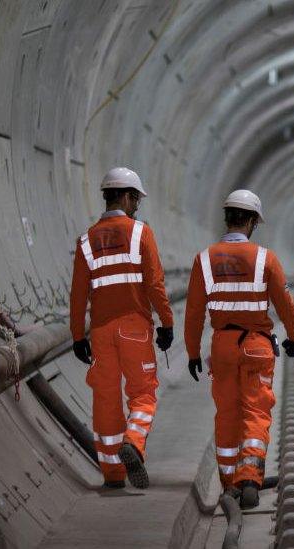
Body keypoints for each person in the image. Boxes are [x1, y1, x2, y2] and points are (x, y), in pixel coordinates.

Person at [184, 189, 294, 509]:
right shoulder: (266, 258)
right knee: (255, 410)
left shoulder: (204, 259)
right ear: (251, 221)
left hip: (222, 345)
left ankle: (229, 483)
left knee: (227, 413)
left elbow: (194, 312)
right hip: (256, 345)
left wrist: (193, 352)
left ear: (227, 219)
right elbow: (285, 306)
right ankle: (250, 475)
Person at [69, 167, 174, 489]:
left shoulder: (87, 240)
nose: (137, 206)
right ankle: (133, 442)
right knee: (143, 394)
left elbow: (78, 293)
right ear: (127, 196)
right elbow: (154, 284)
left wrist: (77, 336)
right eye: (136, 200)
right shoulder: (141, 233)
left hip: (100, 331)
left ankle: (113, 473)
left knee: (106, 399)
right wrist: (167, 322)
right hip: (135, 327)